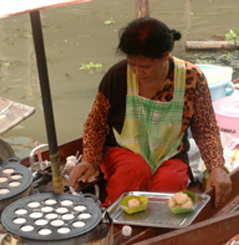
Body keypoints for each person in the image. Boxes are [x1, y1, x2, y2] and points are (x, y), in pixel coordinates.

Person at [69, 17, 232, 208]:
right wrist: (90, 159)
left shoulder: (192, 77)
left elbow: (205, 129)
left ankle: (158, 233)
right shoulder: (118, 76)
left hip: (170, 153)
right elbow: (96, 123)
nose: (138, 72)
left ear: (165, 55)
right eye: (132, 64)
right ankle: (119, 228)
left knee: (169, 187)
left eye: (145, 66)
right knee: (131, 175)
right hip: (124, 150)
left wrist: (216, 167)